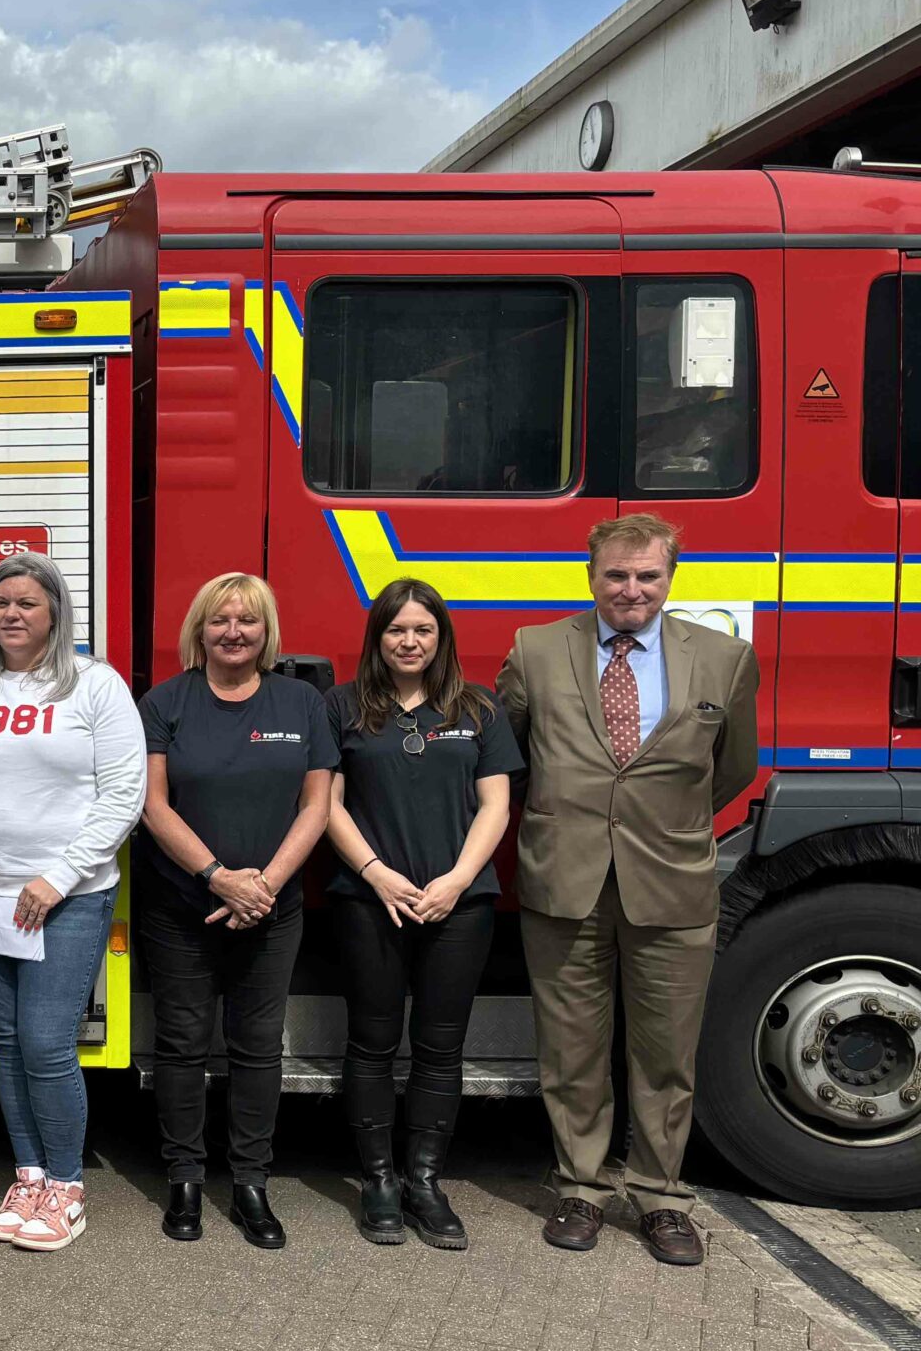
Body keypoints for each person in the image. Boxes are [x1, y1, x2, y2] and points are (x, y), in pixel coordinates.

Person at [498, 514, 758, 1265]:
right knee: (571, 1048)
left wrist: (664, 824)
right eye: (616, 575)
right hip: (563, 878)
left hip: (671, 881)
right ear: (591, 576)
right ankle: (579, 1187)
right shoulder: (536, 650)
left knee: (667, 1052)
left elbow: (731, 767)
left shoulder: (723, 658)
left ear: (672, 578)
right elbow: (510, 753)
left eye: (647, 575)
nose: (631, 589)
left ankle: (659, 1195)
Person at [0, 553, 144, 1252]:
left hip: (67, 899)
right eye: (1, 603)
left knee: (48, 1044)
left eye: (27, 603)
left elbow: (123, 795)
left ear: (55, 612)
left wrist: (60, 876)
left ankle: (67, 1187)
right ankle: (29, 1175)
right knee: (11, 1042)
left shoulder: (94, 686)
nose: (12, 614)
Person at [137, 573, 335, 1251]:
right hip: (181, 907)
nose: (233, 632)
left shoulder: (302, 702)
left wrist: (265, 887)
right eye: (220, 620)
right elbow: (153, 805)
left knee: (257, 1050)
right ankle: (185, 1179)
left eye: (247, 621)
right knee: (182, 1047)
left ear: (266, 631)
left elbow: (318, 805)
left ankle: (251, 1181)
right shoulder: (165, 702)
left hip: (272, 911)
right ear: (200, 629)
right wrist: (219, 878)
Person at [322, 578, 519, 1251]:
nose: (410, 641)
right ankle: (378, 1181)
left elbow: (495, 804)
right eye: (397, 630)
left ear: (442, 639)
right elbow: (326, 802)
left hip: (459, 906)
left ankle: (425, 1182)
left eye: (423, 630)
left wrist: (458, 881)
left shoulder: (479, 708)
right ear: (378, 638)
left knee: (440, 1049)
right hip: (370, 902)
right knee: (371, 1044)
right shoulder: (342, 707)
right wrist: (376, 874)